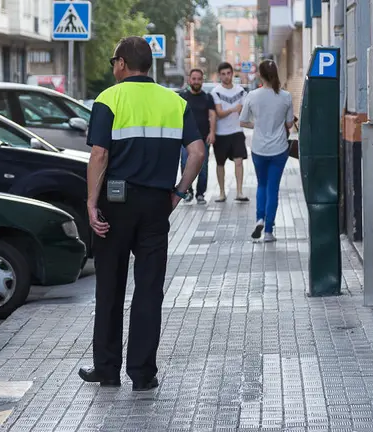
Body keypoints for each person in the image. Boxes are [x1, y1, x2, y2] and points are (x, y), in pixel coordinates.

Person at [79, 36, 205, 391]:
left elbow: (100, 156)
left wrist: (91, 202)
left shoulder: (109, 99)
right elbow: (196, 152)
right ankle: (143, 373)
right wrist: (179, 192)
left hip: (114, 205)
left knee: (110, 286)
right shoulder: (174, 101)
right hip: (155, 205)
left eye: (112, 63)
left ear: (121, 63)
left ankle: (106, 369)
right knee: (149, 289)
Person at [239, 59, 294, 242]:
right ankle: (269, 231)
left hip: (259, 148)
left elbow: (243, 121)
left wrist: (257, 125)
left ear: (260, 75)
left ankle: (259, 218)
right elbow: (289, 124)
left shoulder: (252, 96)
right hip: (279, 149)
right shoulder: (285, 96)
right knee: (273, 188)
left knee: (261, 185)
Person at [211, 62, 249, 202]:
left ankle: (239, 192)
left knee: (239, 162)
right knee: (220, 164)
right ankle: (222, 193)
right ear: (219, 75)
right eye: (223, 74)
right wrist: (234, 109)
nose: (226, 76)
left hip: (237, 132)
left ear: (232, 73)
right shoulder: (216, 92)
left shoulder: (240, 91)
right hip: (221, 134)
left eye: (228, 73)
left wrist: (237, 110)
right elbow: (219, 113)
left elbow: (244, 110)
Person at [179, 68, 217, 204]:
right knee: (185, 164)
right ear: (189, 80)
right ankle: (187, 192)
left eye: (199, 79)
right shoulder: (182, 97)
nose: (196, 81)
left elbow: (212, 115)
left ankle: (200, 194)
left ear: (202, 80)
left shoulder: (208, 97)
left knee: (203, 167)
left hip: (203, 138)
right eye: (193, 79)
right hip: (185, 139)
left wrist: (212, 132)